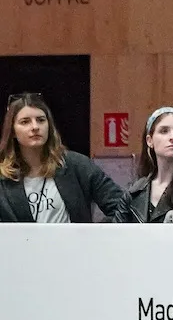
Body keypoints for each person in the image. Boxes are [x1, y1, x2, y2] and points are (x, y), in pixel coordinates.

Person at [0, 92, 132, 223]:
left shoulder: (76, 165)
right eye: (25, 122)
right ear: (12, 132)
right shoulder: (3, 178)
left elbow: (122, 208)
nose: (35, 127)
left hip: (74, 244)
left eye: (41, 120)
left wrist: (95, 234)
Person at [123, 106, 173, 223]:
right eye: (164, 131)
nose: (172, 137)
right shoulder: (134, 192)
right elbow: (115, 235)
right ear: (150, 141)